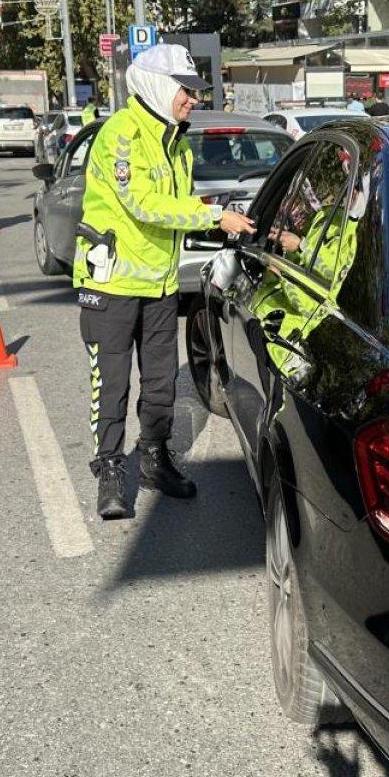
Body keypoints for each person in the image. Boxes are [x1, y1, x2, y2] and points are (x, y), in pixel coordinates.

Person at [75, 43, 256, 519]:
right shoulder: (121, 135)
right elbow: (143, 204)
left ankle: (154, 458)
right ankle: (110, 469)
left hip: (158, 285)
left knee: (160, 386)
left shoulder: (177, 143)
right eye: (186, 90)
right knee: (111, 385)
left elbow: (181, 208)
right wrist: (216, 217)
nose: (192, 100)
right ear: (156, 85)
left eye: (195, 92)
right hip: (111, 284)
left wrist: (223, 217)